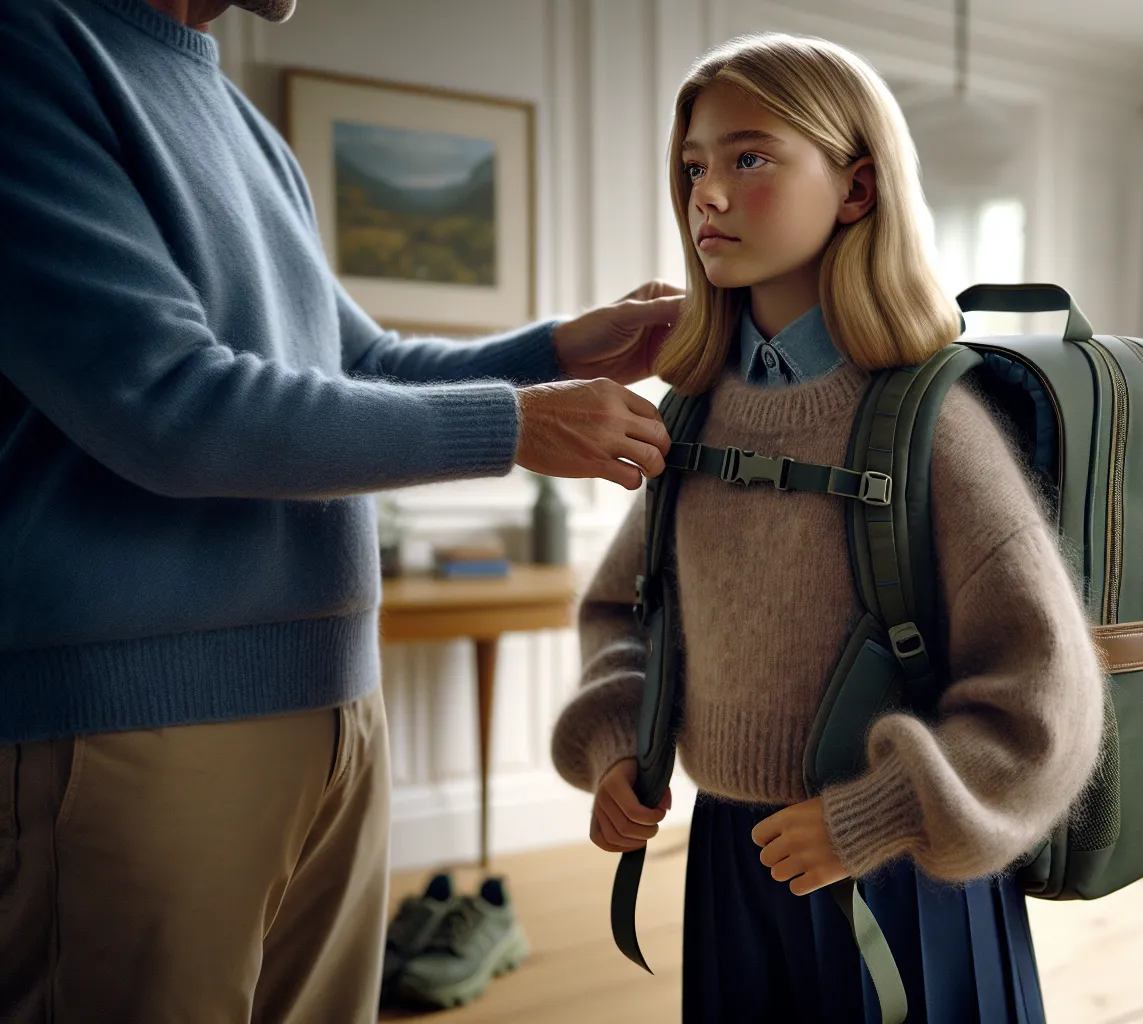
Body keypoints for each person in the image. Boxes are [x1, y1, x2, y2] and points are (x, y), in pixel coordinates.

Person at [0, 0, 680, 1020]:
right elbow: (172, 406)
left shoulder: (244, 124)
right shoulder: (30, 53)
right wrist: (517, 423)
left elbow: (358, 362)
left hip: (335, 706)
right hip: (139, 725)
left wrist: (554, 351)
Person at [550, 32, 1105, 1023]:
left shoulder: (934, 424)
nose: (706, 194)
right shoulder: (694, 413)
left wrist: (879, 814)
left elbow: (1046, 699)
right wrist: (613, 745)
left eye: (748, 158)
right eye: (693, 166)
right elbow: (622, 612)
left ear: (855, 190)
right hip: (730, 861)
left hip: (903, 876)